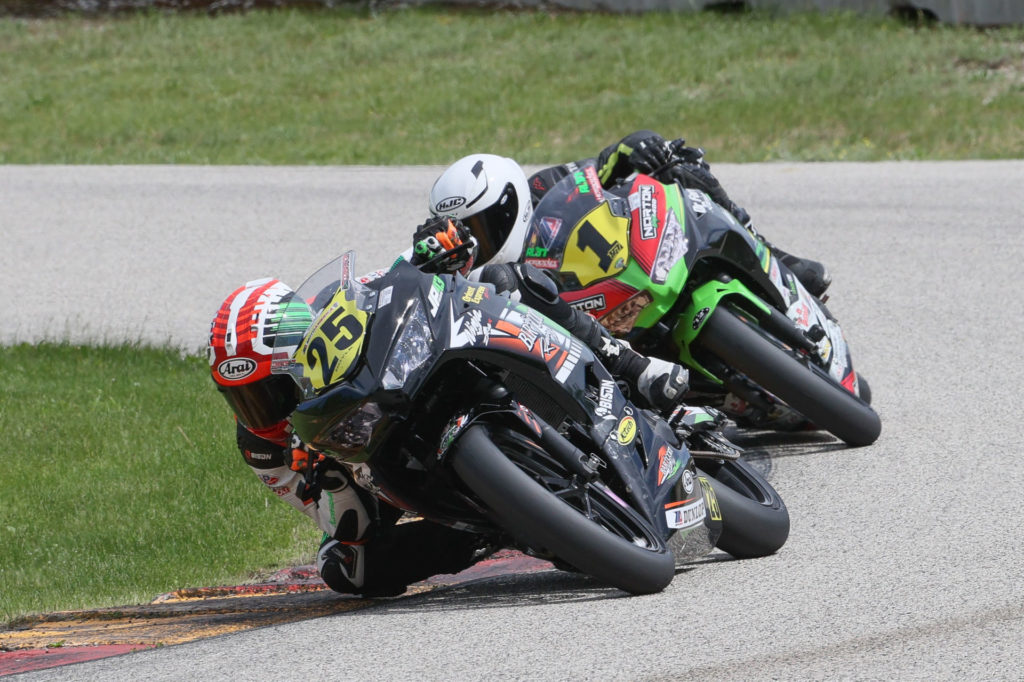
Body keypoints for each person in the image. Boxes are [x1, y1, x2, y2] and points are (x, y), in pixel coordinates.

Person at [207, 277, 494, 598]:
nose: (262, 413)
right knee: (344, 565)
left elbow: (406, 272)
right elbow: (347, 527)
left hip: (399, 393)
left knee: (501, 281)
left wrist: (439, 246)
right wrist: (328, 476)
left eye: (273, 393)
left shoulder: (335, 301)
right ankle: (488, 533)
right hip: (369, 474)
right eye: (243, 398)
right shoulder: (262, 451)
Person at [421, 130, 831, 299]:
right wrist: (428, 260)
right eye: (466, 233)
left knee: (677, 164)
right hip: (594, 335)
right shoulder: (472, 273)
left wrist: (630, 148)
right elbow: (423, 291)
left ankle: (773, 259)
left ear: (509, 201)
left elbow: (597, 170)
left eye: (481, 225)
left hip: (636, 266)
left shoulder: (541, 187)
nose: (478, 241)